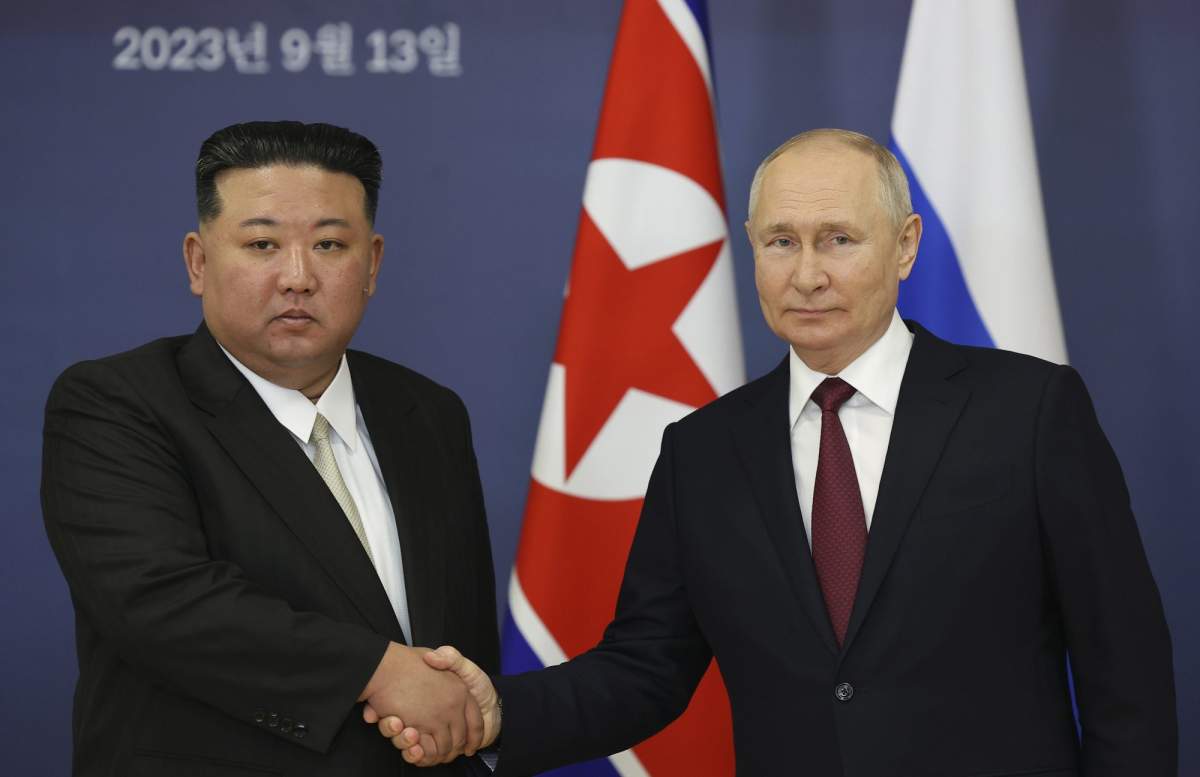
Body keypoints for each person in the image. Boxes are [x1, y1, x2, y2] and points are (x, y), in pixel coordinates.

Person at [373, 129, 1178, 776]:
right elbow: (645, 668)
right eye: (781, 242)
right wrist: (497, 711)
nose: (807, 275)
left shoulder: (1029, 410)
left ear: (904, 247)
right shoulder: (703, 450)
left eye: (838, 240)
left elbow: (1124, 667)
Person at [41, 121, 499, 776]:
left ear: (371, 263)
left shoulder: (428, 412)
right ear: (198, 262)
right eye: (261, 243)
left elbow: (459, 646)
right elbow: (161, 601)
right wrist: (378, 670)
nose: (297, 276)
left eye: (330, 244)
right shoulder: (117, 402)